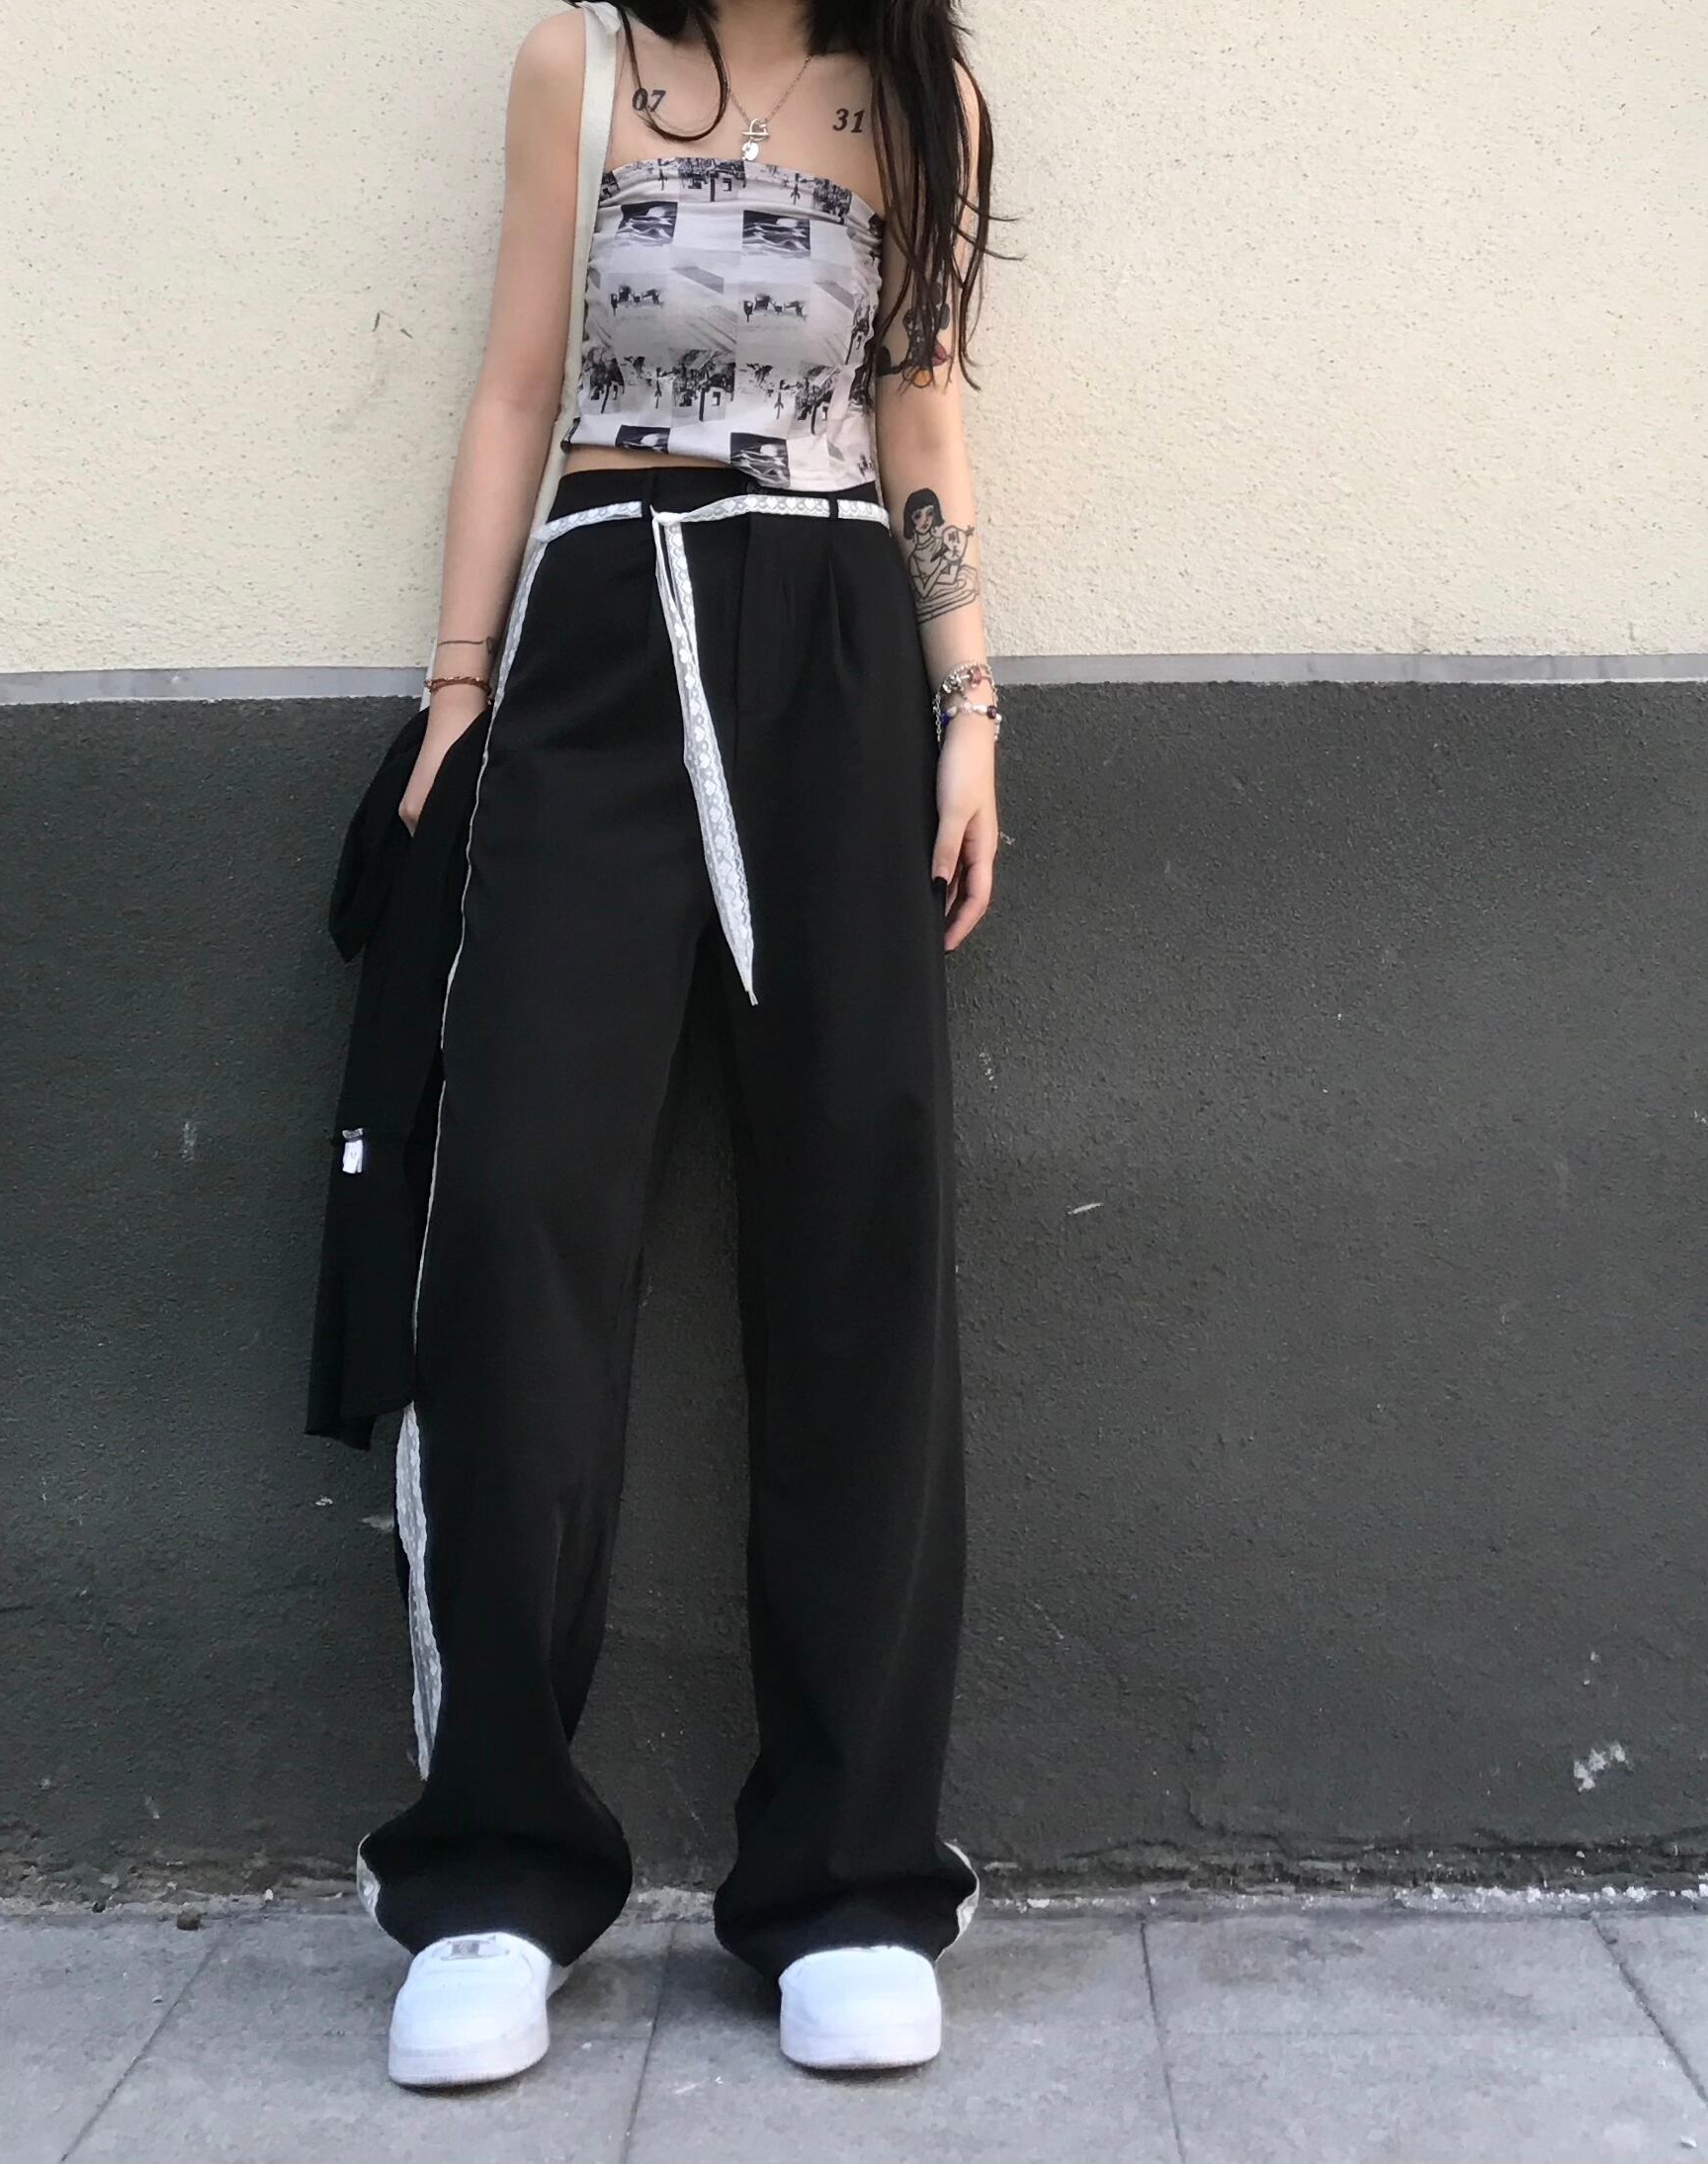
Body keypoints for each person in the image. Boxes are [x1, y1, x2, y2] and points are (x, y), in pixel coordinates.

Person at [354, 0, 1002, 2088]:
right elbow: (517, 384)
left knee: (857, 1239)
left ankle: (850, 1879)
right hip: (598, 642)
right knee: (516, 1225)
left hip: (835, 650)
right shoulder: (578, 62)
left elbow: (919, 398)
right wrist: (460, 693)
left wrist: (969, 707)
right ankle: (489, 1870)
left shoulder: (919, 93)